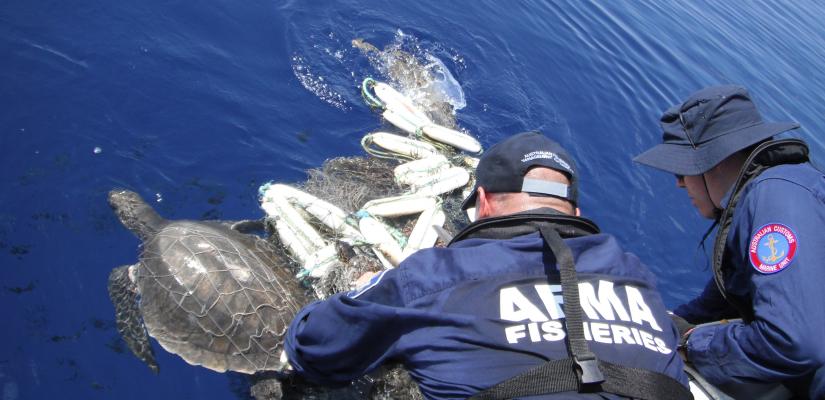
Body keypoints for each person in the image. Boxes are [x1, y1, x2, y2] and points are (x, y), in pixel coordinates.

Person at [285, 131, 690, 399]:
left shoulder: (432, 277)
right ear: (575, 209)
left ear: (482, 202)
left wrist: (375, 286)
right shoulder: (638, 279)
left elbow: (312, 345)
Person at [634, 84, 825, 399]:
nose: (680, 184)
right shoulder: (776, 193)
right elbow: (716, 304)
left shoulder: (776, 197)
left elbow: (795, 341)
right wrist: (661, 324)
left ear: (715, 161)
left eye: (680, 171)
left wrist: (693, 345)